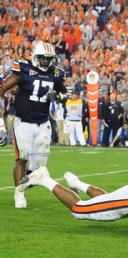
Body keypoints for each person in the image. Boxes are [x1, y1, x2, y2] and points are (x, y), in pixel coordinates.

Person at [0, 41, 66, 208]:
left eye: (48, 59)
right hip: (23, 121)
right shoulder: (23, 68)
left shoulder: (56, 73)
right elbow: (5, 86)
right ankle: (19, 193)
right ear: (36, 57)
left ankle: (24, 183)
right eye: (43, 58)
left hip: (43, 123)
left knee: (40, 168)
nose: (45, 61)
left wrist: (57, 97)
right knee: (22, 158)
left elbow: (64, 92)